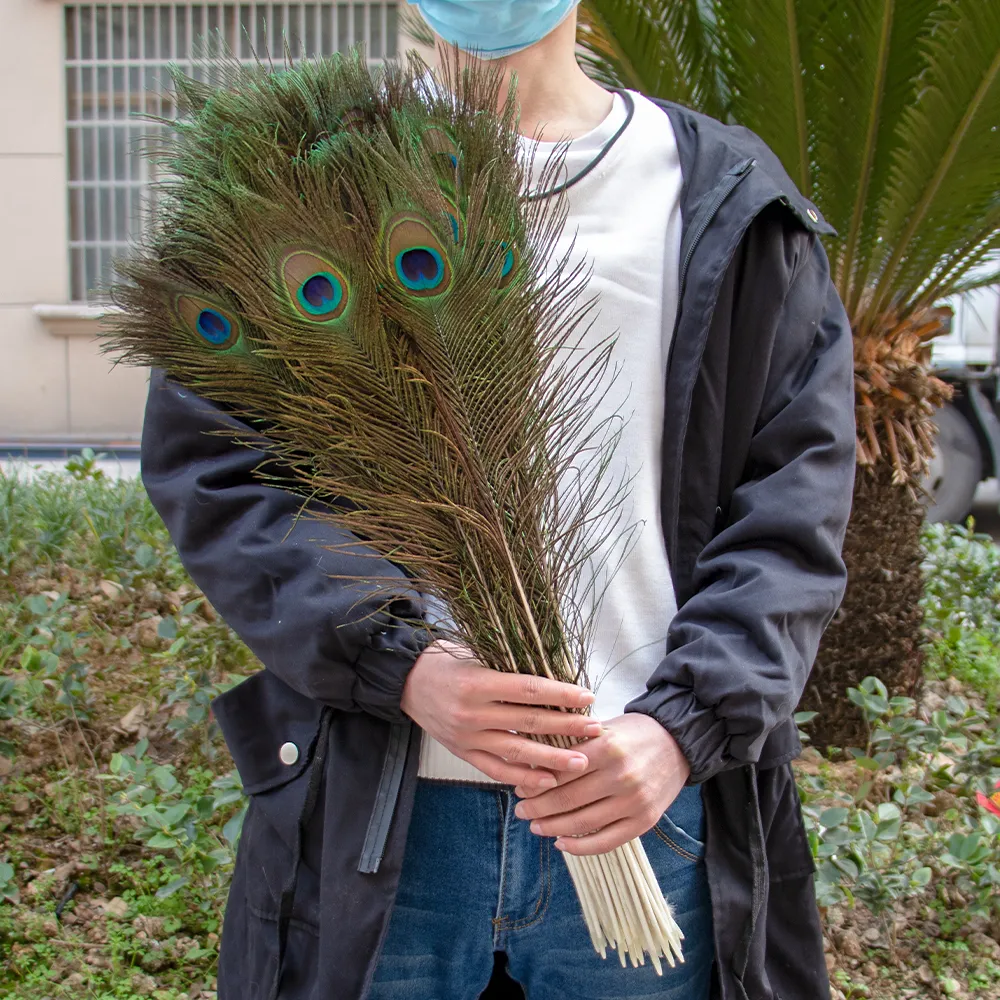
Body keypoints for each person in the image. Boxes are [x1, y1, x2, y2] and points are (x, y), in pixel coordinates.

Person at [140, 1, 856, 998]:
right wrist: (402, 662)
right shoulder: (301, 183)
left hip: (649, 807)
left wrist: (678, 728)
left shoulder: (726, 203)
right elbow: (222, 471)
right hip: (388, 818)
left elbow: (792, 503)